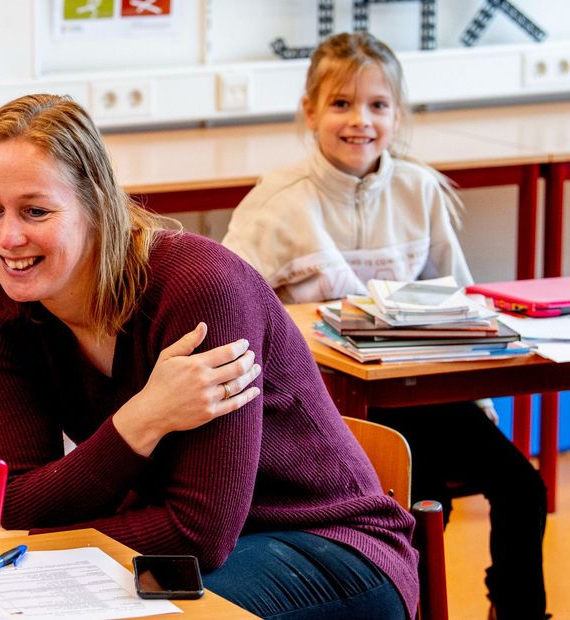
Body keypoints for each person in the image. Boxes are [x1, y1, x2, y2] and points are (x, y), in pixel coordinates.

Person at [0, 93, 419, 619]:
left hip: (327, 547)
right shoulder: (4, 312)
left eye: (36, 211)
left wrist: (49, 534)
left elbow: (200, 532)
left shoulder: (202, 289)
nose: (8, 237)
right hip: (184, 550)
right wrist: (141, 419)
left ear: (95, 205)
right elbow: (18, 503)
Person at [222, 32, 548, 620]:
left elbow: (463, 305)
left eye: (378, 105)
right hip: (329, 414)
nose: (360, 121)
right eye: (341, 104)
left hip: (422, 395)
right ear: (310, 111)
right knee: (423, 504)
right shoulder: (276, 203)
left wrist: (481, 406)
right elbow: (228, 313)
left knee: (523, 488)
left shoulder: (421, 189)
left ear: (398, 114)